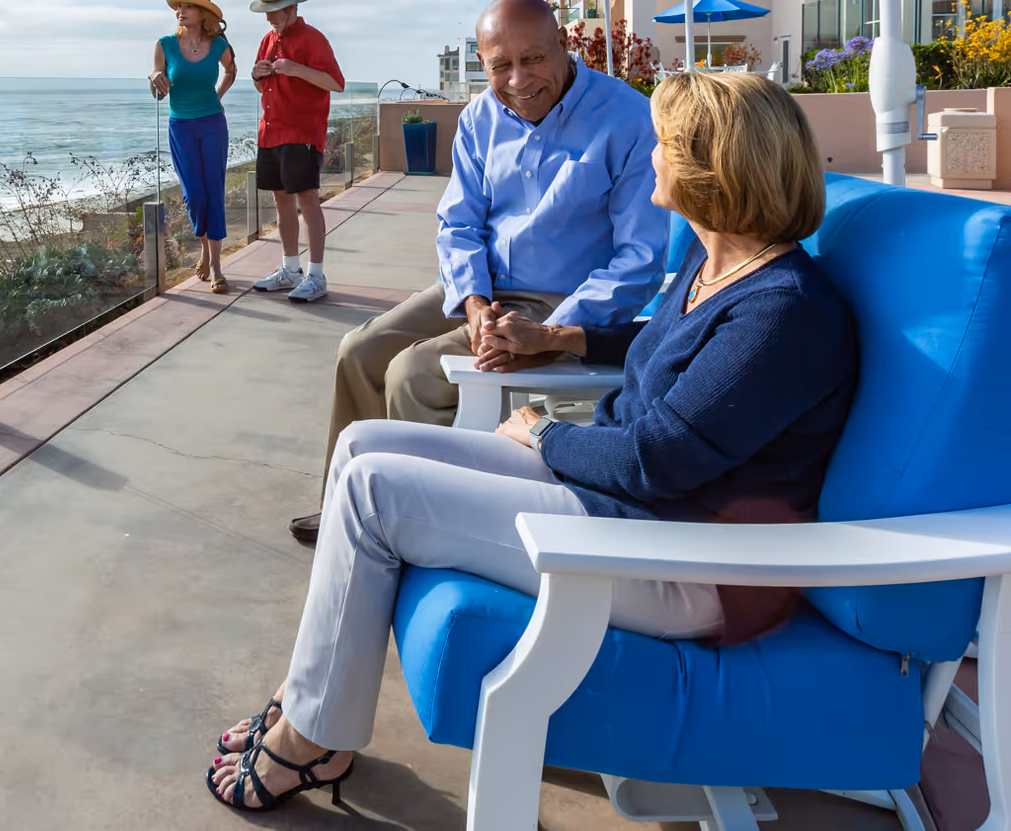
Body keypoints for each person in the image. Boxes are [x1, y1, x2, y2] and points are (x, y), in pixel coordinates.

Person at [206, 71, 857, 812]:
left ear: (711, 168)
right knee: (360, 445)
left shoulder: (785, 313)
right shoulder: (723, 267)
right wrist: (561, 336)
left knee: (372, 492)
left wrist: (546, 432)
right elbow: (669, 345)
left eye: (665, 143)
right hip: (621, 510)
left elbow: (658, 460)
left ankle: (312, 735)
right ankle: (309, 699)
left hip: (684, 559)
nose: (651, 154)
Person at [289, 0, 668, 546]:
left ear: (562, 46)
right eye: (500, 66)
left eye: (534, 59)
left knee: (413, 374)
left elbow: (639, 260)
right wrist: (471, 301)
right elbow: (459, 224)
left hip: (562, 301)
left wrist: (549, 334)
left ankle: (421, 528)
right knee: (359, 351)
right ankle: (347, 501)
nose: (518, 79)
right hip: (481, 287)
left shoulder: (628, 118)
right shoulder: (479, 119)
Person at [248, 0, 344, 304]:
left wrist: (296, 69)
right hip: (271, 130)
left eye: (274, 10)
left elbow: (335, 82)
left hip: (303, 132)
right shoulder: (267, 39)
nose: (270, 17)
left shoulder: (313, 38)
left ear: (291, 7)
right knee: (281, 200)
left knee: (308, 201)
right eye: (267, 11)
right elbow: (266, 88)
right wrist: (258, 76)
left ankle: (316, 276)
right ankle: (291, 270)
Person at [151, 0, 238, 292]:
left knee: (214, 192)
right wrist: (154, 77)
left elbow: (231, 70)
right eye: (179, 6)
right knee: (194, 196)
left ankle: (216, 267)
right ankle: (205, 248)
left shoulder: (217, 45)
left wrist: (218, 94)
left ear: (203, 14)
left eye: (188, 6)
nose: (180, 11)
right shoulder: (165, 45)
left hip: (213, 123)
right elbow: (157, 82)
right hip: (182, 127)